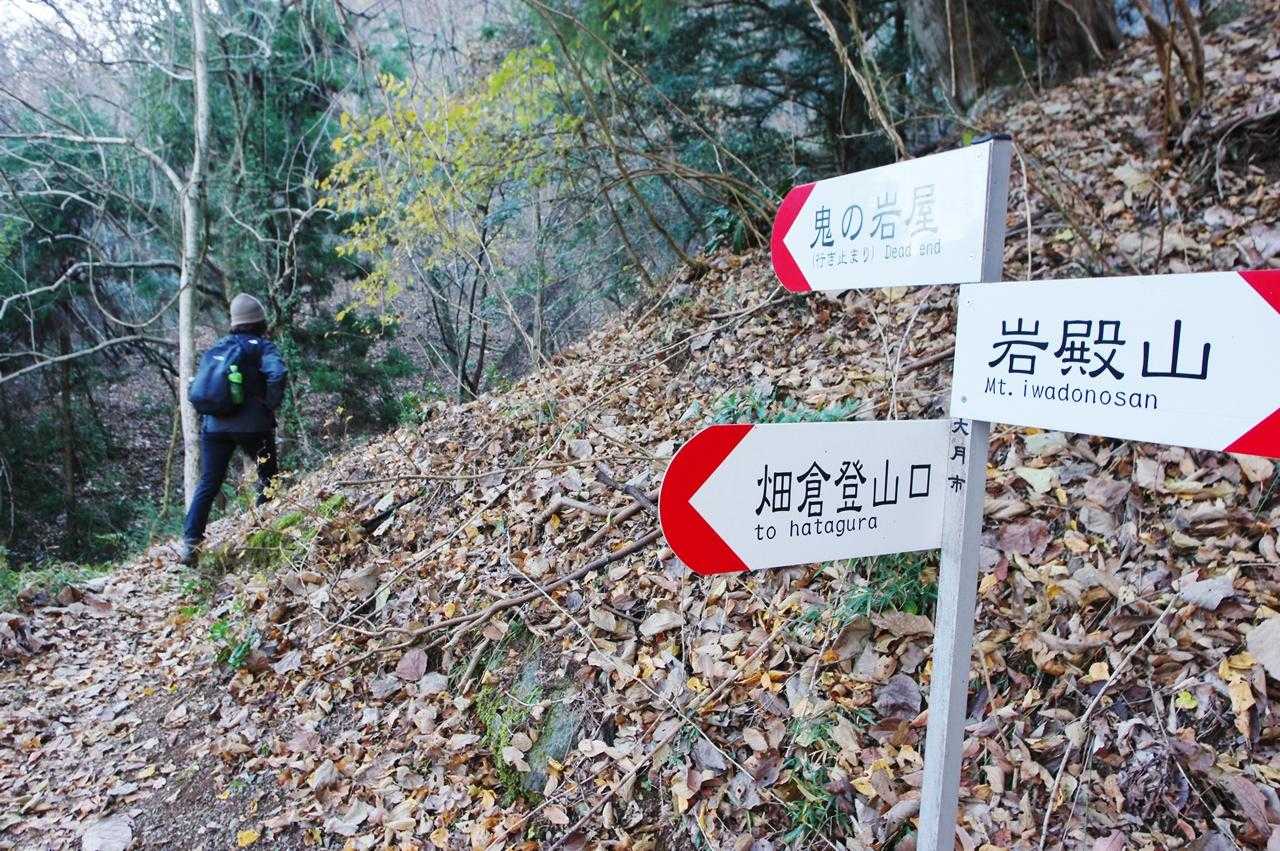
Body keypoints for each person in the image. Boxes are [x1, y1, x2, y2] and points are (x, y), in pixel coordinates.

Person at [178, 293, 288, 565]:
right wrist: (269, 405)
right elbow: (277, 373)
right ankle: (264, 531)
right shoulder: (262, 347)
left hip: (214, 426)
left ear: (234, 322)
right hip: (253, 427)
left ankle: (190, 544)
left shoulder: (219, 347)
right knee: (269, 477)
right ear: (260, 321)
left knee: (209, 482)